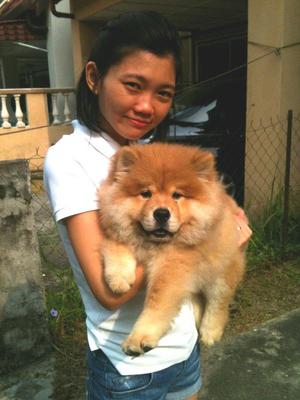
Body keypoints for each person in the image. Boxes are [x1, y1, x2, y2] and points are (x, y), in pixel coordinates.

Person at [44, 11, 252, 400]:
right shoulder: (71, 158)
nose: (146, 106)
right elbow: (112, 291)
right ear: (94, 77)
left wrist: (226, 219)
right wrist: (205, 237)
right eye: (133, 85)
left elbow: (201, 204)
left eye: (163, 93)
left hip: (181, 346)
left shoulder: (142, 151)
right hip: (130, 369)